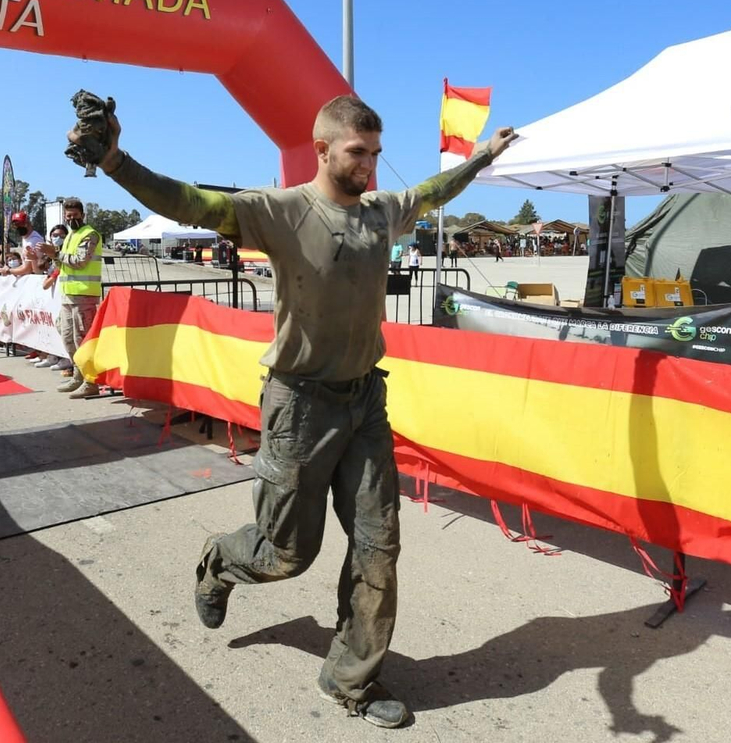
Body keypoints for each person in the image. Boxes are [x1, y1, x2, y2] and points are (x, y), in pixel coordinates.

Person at [78, 93, 517, 728]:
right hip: (300, 406)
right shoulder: (281, 212)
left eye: (375, 153)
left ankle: (350, 679)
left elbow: (429, 193)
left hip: (365, 400)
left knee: (379, 546)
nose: (369, 164)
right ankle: (220, 563)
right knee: (285, 552)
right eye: (357, 152)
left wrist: (480, 159)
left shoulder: (379, 213)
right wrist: (117, 161)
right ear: (322, 149)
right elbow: (192, 203)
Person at [46, 198, 104, 398]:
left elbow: (80, 261)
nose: (71, 219)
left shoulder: (90, 234)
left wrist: (55, 253)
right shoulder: (71, 236)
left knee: (82, 339)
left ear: (83, 215)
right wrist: (54, 256)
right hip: (68, 295)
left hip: (84, 295)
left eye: (75, 215)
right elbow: (64, 265)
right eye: (68, 216)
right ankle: (79, 375)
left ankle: (91, 381)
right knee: (67, 337)